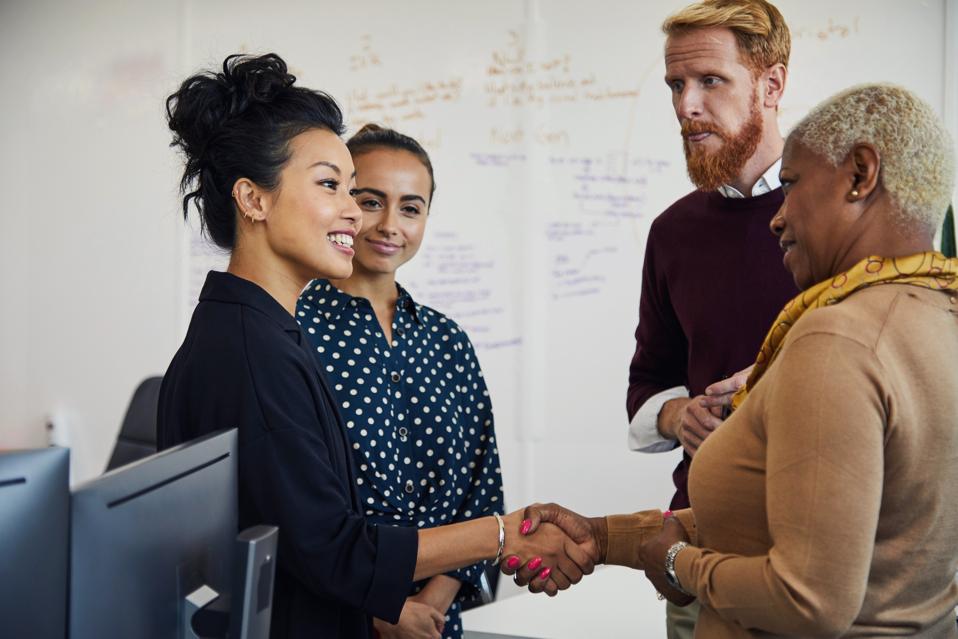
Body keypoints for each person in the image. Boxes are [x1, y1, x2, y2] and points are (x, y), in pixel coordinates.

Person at [156, 53, 595, 639]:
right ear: (254, 200)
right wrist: (501, 533)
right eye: (335, 187)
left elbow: (461, 487)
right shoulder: (251, 354)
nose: (356, 215)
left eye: (407, 205)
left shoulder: (265, 336)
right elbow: (329, 545)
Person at [512, 84, 958, 638]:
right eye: (673, 85)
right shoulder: (935, 308)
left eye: (791, 185)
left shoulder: (835, 340)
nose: (777, 216)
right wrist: (605, 538)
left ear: (860, 175)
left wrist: (677, 563)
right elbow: (773, 524)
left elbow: (807, 600)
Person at [625, 1, 798, 633]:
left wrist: (778, 383)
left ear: (771, 85)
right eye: (676, 84)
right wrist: (678, 413)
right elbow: (648, 380)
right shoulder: (671, 233)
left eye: (710, 81)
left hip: (821, 547)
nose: (685, 106)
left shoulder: (842, 214)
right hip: (699, 549)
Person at [295, 124, 503, 639]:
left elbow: (481, 485)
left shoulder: (447, 340)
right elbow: (291, 512)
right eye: (370, 201)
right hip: (334, 618)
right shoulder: (291, 331)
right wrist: (380, 611)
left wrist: (433, 603)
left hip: (435, 623)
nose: (390, 225)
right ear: (341, 202)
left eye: (411, 208)